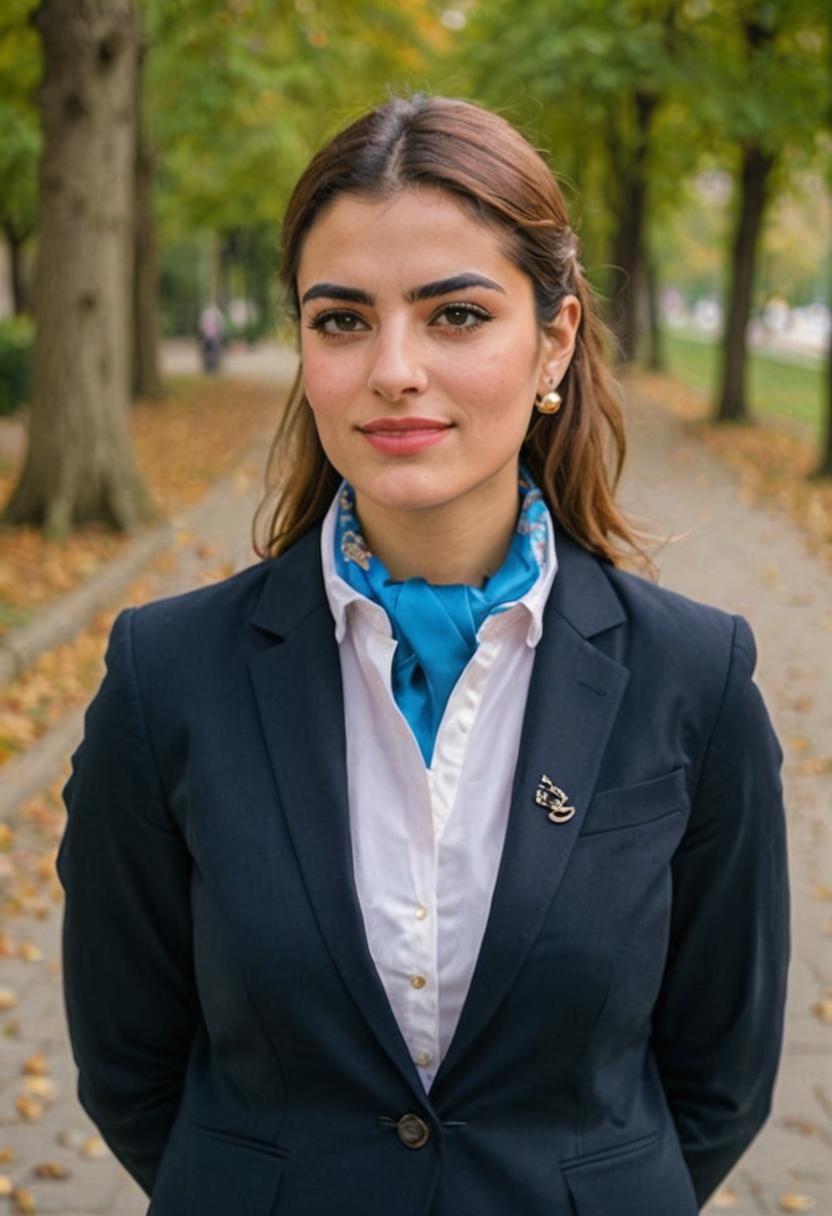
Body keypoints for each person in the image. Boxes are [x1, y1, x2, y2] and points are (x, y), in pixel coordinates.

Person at [58, 96, 789, 1216]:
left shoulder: (693, 678)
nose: (392, 368)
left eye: (454, 314)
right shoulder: (169, 677)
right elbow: (129, 1057)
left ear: (554, 336)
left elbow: (720, 1074)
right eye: (343, 320)